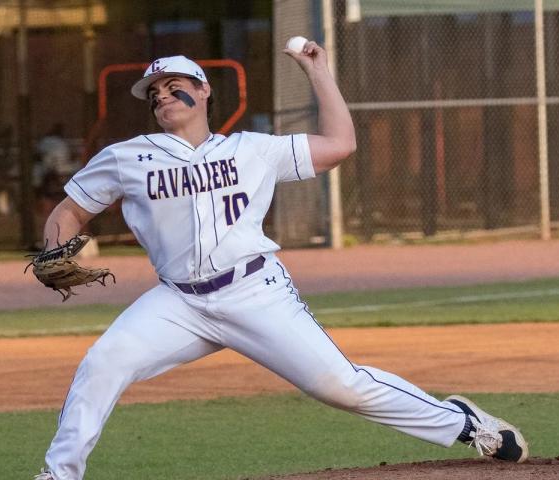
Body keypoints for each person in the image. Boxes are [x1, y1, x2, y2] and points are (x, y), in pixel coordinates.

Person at [33, 46, 528, 480]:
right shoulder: (128, 156)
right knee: (102, 363)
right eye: (154, 91)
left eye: (173, 86)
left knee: (341, 387)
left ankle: (465, 423)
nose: (161, 95)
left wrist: (319, 72)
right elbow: (71, 210)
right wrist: (55, 248)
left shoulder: (252, 150)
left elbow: (340, 146)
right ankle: (59, 475)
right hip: (178, 301)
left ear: (203, 92)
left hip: (255, 292)